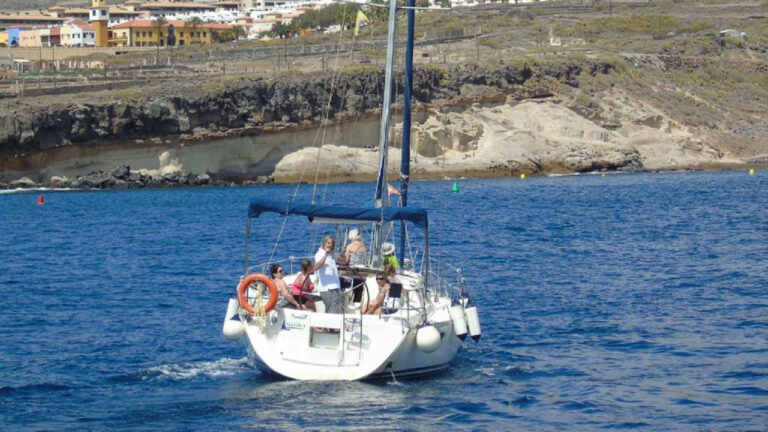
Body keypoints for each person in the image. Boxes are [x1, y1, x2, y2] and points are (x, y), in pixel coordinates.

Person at [314, 235, 342, 313]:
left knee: (331, 309)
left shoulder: (332, 254)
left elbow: (344, 261)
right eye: (328, 243)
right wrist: (325, 255)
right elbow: (317, 266)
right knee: (332, 311)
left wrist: (343, 253)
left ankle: (325, 325)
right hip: (327, 288)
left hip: (335, 287)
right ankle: (329, 325)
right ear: (324, 243)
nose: (330, 245)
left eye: (332, 243)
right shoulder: (320, 253)